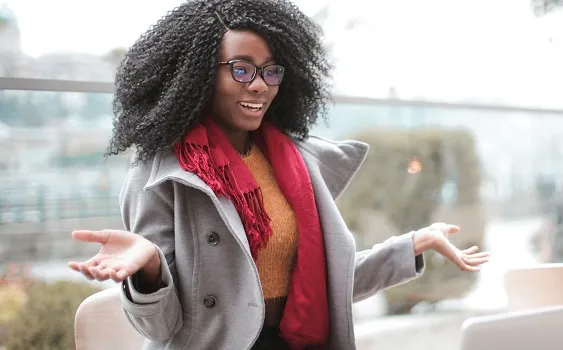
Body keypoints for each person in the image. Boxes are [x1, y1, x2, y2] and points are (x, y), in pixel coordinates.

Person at [66, 1, 489, 349]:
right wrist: (149, 269)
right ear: (198, 74)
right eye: (241, 68)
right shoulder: (162, 175)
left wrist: (413, 244)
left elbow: (323, 285)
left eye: (270, 71)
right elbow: (161, 327)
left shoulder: (294, 164)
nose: (259, 85)